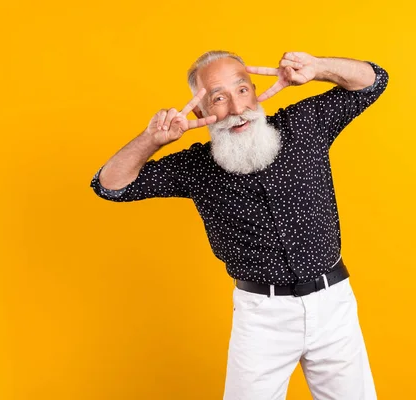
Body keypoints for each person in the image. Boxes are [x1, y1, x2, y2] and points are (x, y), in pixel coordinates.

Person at [90, 50, 389, 399]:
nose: (235, 108)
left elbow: (373, 81)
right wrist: (152, 140)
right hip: (262, 319)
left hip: (333, 305)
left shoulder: (304, 125)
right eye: (219, 98)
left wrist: (319, 68)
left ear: (256, 91)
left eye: (242, 90)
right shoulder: (196, 167)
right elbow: (110, 186)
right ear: (201, 112)